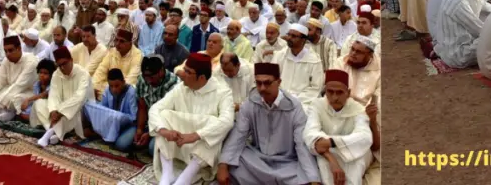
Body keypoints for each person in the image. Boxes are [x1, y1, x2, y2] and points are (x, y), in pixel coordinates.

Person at [217, 61, 318, 185]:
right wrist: (223, 165)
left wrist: (313, 178)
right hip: (257, 159)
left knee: (301, 177)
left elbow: (301, 145)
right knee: (235, 161)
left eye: (267, 83)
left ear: (279, 82)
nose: (262, 88)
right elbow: (238, 135)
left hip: (286, 163)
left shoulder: (294, 107)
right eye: (258, 83)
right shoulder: (250, 103)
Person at [150, 53, 235, 185]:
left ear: (201, 78)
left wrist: (196, 135)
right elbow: (155, 109)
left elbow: (227, 121)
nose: (182, 74)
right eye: (184, 69)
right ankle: (168, 174)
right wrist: (164, 131)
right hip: (179, 140)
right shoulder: (181, 87)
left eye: (188, 71)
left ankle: (185, 178)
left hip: (201, 146)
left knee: (215, 126)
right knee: (164, 114)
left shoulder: (223, 92)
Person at [304, 70, 373, 185]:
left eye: (339, 92)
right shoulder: (317, 105)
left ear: (348, 93)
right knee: (323, 163)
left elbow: (365, 137)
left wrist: (332, 142)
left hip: (355, 152)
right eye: (330, 92)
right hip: (327, 152)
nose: (334, 97)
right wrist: (331, 159)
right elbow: (310, 133)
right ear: (325, 91)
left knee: (355, 167)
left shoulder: (358, 109)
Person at [0, 35, 39, 121]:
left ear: (19, 48)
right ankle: (3, 112)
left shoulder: (31, 62)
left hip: (27, 92)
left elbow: (18, 86)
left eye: (10, 50)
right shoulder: (6, 60)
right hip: (9, 89)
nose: (7, 54)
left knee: (14, 100)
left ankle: (9, 113)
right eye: (5, 51)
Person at [432, 0, 483, 69]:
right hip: (458, 56)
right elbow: (478, 29)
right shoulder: (458, 2)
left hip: (447, 52)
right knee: (490, 40)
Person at [84, 67, 138, 148]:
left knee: (121, 145)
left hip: (129, 125)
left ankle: (107, 135)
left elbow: (134, 118)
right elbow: (103, 110)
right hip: (111, 122)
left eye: (117, 86)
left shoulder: (131, 92)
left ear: (123, 82)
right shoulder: (107, 90)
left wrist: (118, 117)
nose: (114, 89)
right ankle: (105, 134)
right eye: (111, 86)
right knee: (88, 105)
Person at [276, 24, 325, 106]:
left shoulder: (314, 60)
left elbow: (316, 88)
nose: (289, 38)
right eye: (289, 34)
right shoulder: (280, 55)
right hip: (280, 98)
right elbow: (273, 79)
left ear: (303, 40)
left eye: (294, 36)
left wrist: (295, 98)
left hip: (304, 102)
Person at [92, 28, 143, 98]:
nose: (117, 44)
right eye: (116, 40)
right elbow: (100, 71)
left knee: (129, 91)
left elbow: (130, 81)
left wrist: (106, 92)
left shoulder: (138, 55)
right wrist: (93, 88)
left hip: (124, 91)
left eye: (122, 41)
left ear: (130, 43)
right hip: (109, 87)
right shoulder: (112, 51)